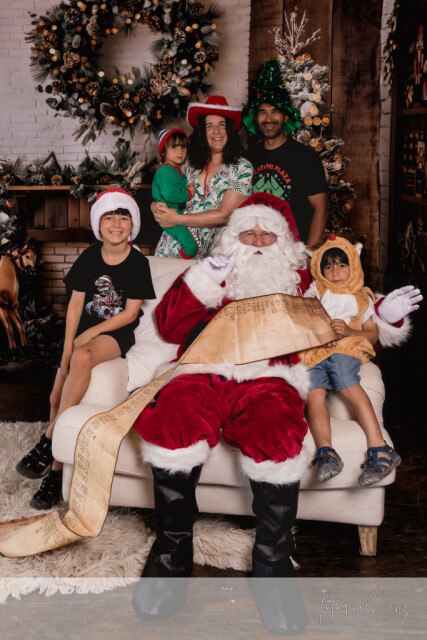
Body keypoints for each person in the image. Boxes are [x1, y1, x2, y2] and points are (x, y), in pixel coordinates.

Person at [130, 198, 415, 632]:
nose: (259, 241)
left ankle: (272, 562)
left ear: (285, 241)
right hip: (203, 369)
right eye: (249, 233)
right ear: (233, 238)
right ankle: (171, 553)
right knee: (173, 416)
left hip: (270, 377)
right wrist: (203, 281)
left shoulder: (305, 280)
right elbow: (168, 327)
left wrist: (382, 319)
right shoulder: (212, 273)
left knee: (278, 428)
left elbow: (348, 316)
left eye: (268, 234)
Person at [15, 188, 155, 510]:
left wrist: (90, 333)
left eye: (123, 217)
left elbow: (130, 313)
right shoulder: (89, 257)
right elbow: (76, 306)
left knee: (83, 355)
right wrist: (65, 354)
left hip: (114, 335)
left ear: (132, 224)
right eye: (109, 217)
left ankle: (49, 446)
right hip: (80, 335)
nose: (116, 223)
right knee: (56, 397)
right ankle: (55, 467)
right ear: (98, 224)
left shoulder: (137, 263)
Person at [301, 235, 420, 486]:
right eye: (328, 266)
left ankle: (380, 448)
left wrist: (348, 332)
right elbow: (304, 319)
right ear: (319, 269)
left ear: (353, 266)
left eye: (342, 265)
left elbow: (372, 334)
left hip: (346, 347)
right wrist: (318, 333)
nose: (335, 272)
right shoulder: (315, 291)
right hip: (316, 351)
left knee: (345, 379)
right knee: (313, 392)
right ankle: (326, 452)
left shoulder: (361, 297)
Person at [153, 95, 253, 258]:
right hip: (169, 248)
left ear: (230, 129)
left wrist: (176, 219)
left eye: (222, 125)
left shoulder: (242, 168)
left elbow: (225, 215)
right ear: (202, 131)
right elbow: (164, 191)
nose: (216, 131)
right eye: (209, 126)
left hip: (210, 257)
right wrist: (156, 207)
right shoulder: (186, 162)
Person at [243, 59, 328, 247]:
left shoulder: (305, 158)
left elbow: (320, 208)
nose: (269, 119)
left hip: (292, 251)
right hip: (255, 249)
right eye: (262, 112)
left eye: (275, 111)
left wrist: (308, 254)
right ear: (256, 118)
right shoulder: (247, 158)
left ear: (286, 116)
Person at [152, 128, 198, 259]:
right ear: (163, 151)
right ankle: (178, 264)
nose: (180, 151)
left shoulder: (173, 169)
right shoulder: (167, 171)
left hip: (173, 214)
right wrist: (189, 193)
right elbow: (170, 195)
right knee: (191, 247)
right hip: (170, 216)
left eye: (183, 147)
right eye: (174, 147)